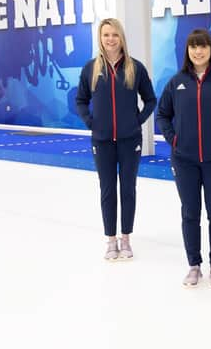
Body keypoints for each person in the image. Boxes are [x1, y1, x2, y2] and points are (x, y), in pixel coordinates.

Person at [156, 29, 211, 288]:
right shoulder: (176, 82)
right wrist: (174, 139)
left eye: (202, 47)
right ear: (187, 51)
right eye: (193, 47)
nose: (198, 51)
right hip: (184, 159)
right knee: (190, 213)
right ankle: (194, 265)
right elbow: (162, 115)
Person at [76, 18, 156, 261]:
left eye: (115, 35)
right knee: (108, 189)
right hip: (101, 140)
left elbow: (151, 100)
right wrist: (91, 123)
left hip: (129, 139)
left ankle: (126, 238)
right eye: (106, 35)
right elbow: (81, 100)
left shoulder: (135, 68)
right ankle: (111, 240)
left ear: (121, 38)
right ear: (100, 38)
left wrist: (136, 121)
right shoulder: (91, 68)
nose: (110, 39)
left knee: (128, 188)